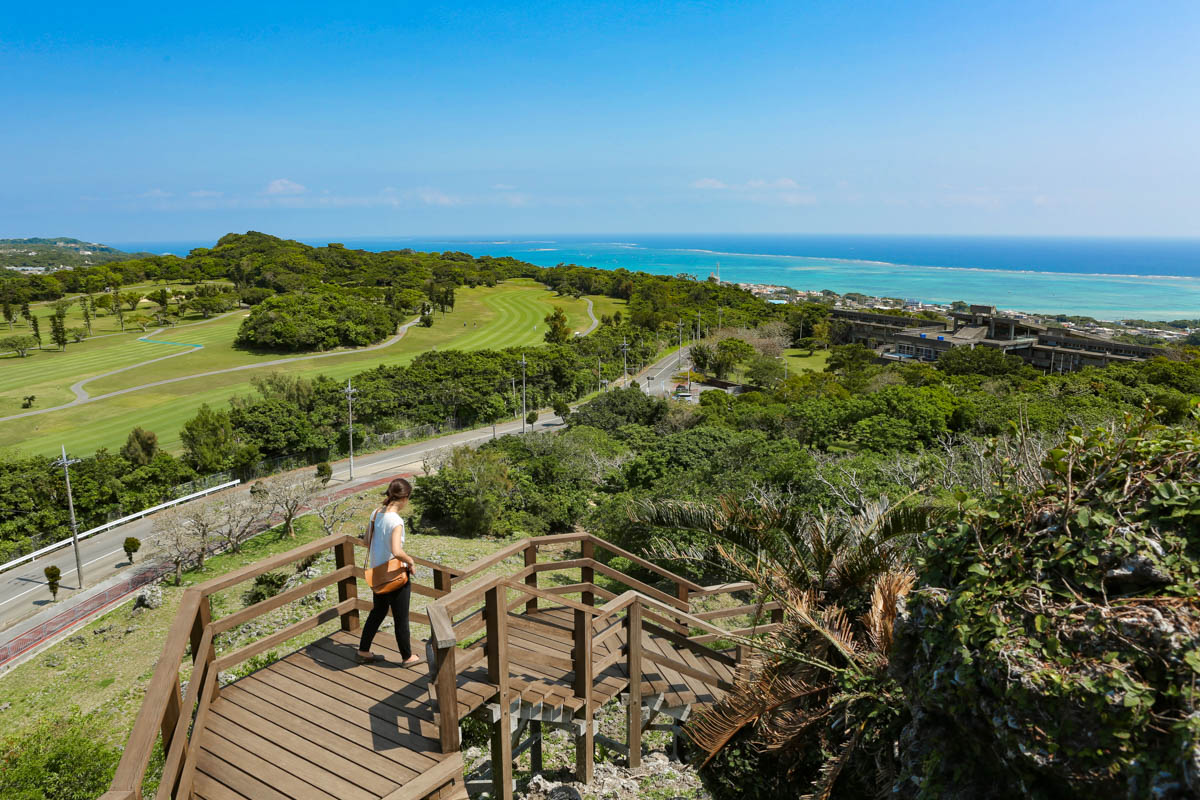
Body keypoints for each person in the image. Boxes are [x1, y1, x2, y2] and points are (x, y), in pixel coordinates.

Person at [357, 477, 420, 665]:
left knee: (378, 611)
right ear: (405, 498)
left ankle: (363, 651)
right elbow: (396, 551)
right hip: (395, 575)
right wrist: (411, 561)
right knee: (401, 618)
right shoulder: (396, 521)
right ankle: (407, 657)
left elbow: (366, 541)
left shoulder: (376, 513)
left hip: (378, 573)